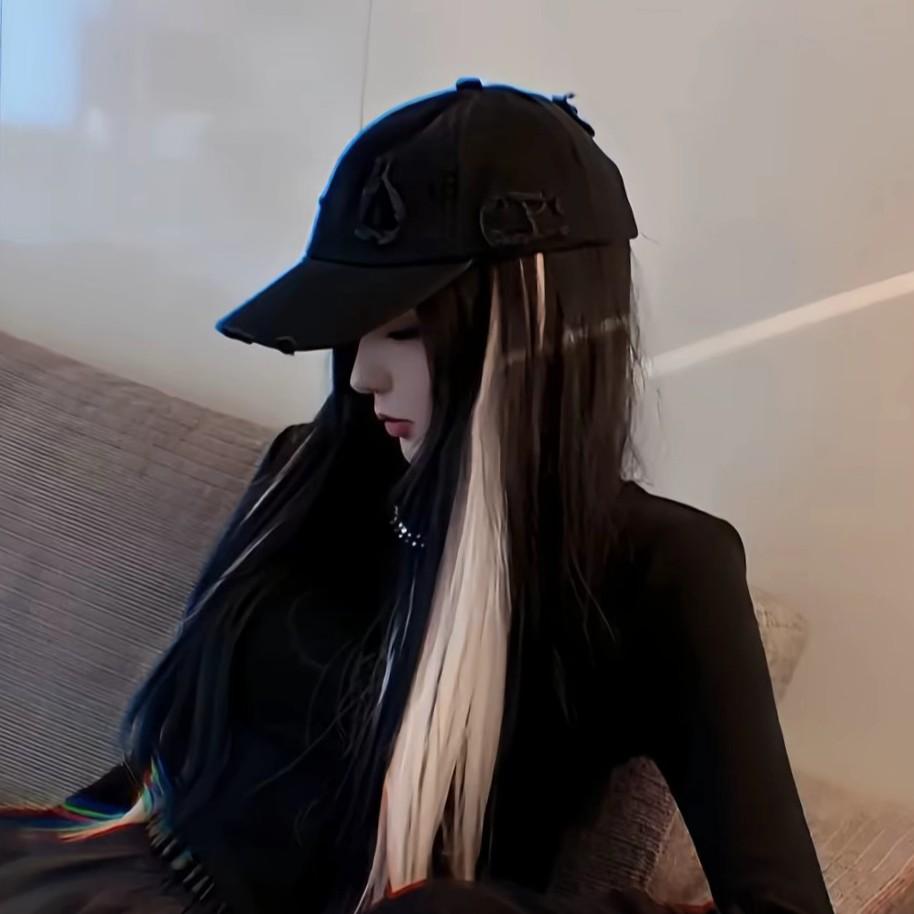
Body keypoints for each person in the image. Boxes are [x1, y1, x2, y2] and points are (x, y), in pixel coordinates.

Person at [0, 79, 835, 914]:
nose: (363, 375)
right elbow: (165, 768)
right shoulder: (316, 471)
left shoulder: (657, 572)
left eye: (405, 330)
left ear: (539, 337)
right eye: (354, 327)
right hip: (105, 871)